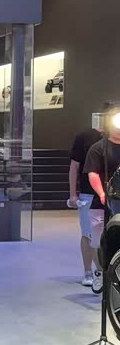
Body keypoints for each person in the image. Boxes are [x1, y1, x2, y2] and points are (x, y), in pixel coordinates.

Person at [84, 119, 120, 289]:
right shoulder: (98, 148)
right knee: (98, 239)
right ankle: (99, 271)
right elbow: (93, 173)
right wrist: (101, 193)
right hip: (102, 202)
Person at [69, 121, 103, 286]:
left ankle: (105, 272)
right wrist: (73, 194)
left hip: (112, 194)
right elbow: (74, 167)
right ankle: (90, 272)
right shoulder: (85, 138)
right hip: (89, 194)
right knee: (89, 234)